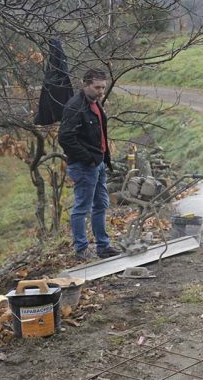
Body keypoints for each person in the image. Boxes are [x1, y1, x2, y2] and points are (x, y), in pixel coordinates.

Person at [58, 68, 121, 260]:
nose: (101, 91)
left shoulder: (95, 104)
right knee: (82, 207)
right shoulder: (76, 106)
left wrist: (101, 159)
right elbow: (65, 138)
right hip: (85, 165)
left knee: (101, 203)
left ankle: (103, 246)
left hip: (98, 163)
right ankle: (81, 248)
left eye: (103, 87)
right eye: (97, 87)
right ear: (85, 85)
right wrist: (89, 159)